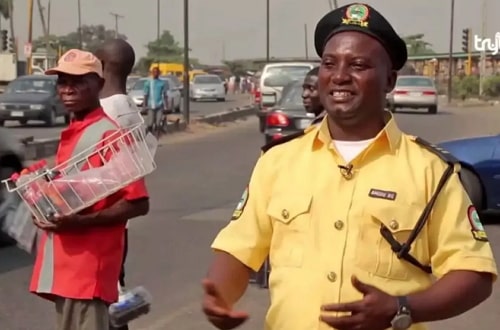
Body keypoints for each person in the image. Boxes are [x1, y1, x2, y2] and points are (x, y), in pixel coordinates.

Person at [201, 3, 497, 330]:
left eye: (358, 65)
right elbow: (239, 249)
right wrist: (220, 295)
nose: (340, 76)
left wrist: (403, 308)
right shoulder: (278, 161)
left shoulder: (430, 171)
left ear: (389, 80)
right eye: (330, 63)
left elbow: (474, 273)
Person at [31, 49, 150, 330]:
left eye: (78, 81)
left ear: (98, 83)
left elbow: (137, 203)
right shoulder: (75, 132)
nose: (67, 89)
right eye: (62, 81)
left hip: (88, 273)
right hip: (68, 271)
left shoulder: (110, 136)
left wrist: (80, 222)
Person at [95, 38, 143, 330]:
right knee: (111, 291)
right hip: (118, 222)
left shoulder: (104, 112)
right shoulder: (129, 109)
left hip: (103, 220)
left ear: (101, 68)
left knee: (103, 299)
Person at [143, 67, 167, 133]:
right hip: (151, 106)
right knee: (150, 123)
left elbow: (165, 95)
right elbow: (145, 94)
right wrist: (144, 105)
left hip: (159, 106)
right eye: (154, 72)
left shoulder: (162, 83)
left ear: (159, 73)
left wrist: (166, 106)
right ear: (152, 73)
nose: (155, 73)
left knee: (158, 123)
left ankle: (156, 136)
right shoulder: (148, 83)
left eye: (157, 72)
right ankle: (149, 136)